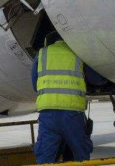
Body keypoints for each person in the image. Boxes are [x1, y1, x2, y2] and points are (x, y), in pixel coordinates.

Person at [32, 32, 107, 163]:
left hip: (47, 114)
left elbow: (35, 84)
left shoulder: (42, 54)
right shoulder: (78, 53)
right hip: (72, 114)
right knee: (81, 153)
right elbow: (96, 79)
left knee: (45, 154)